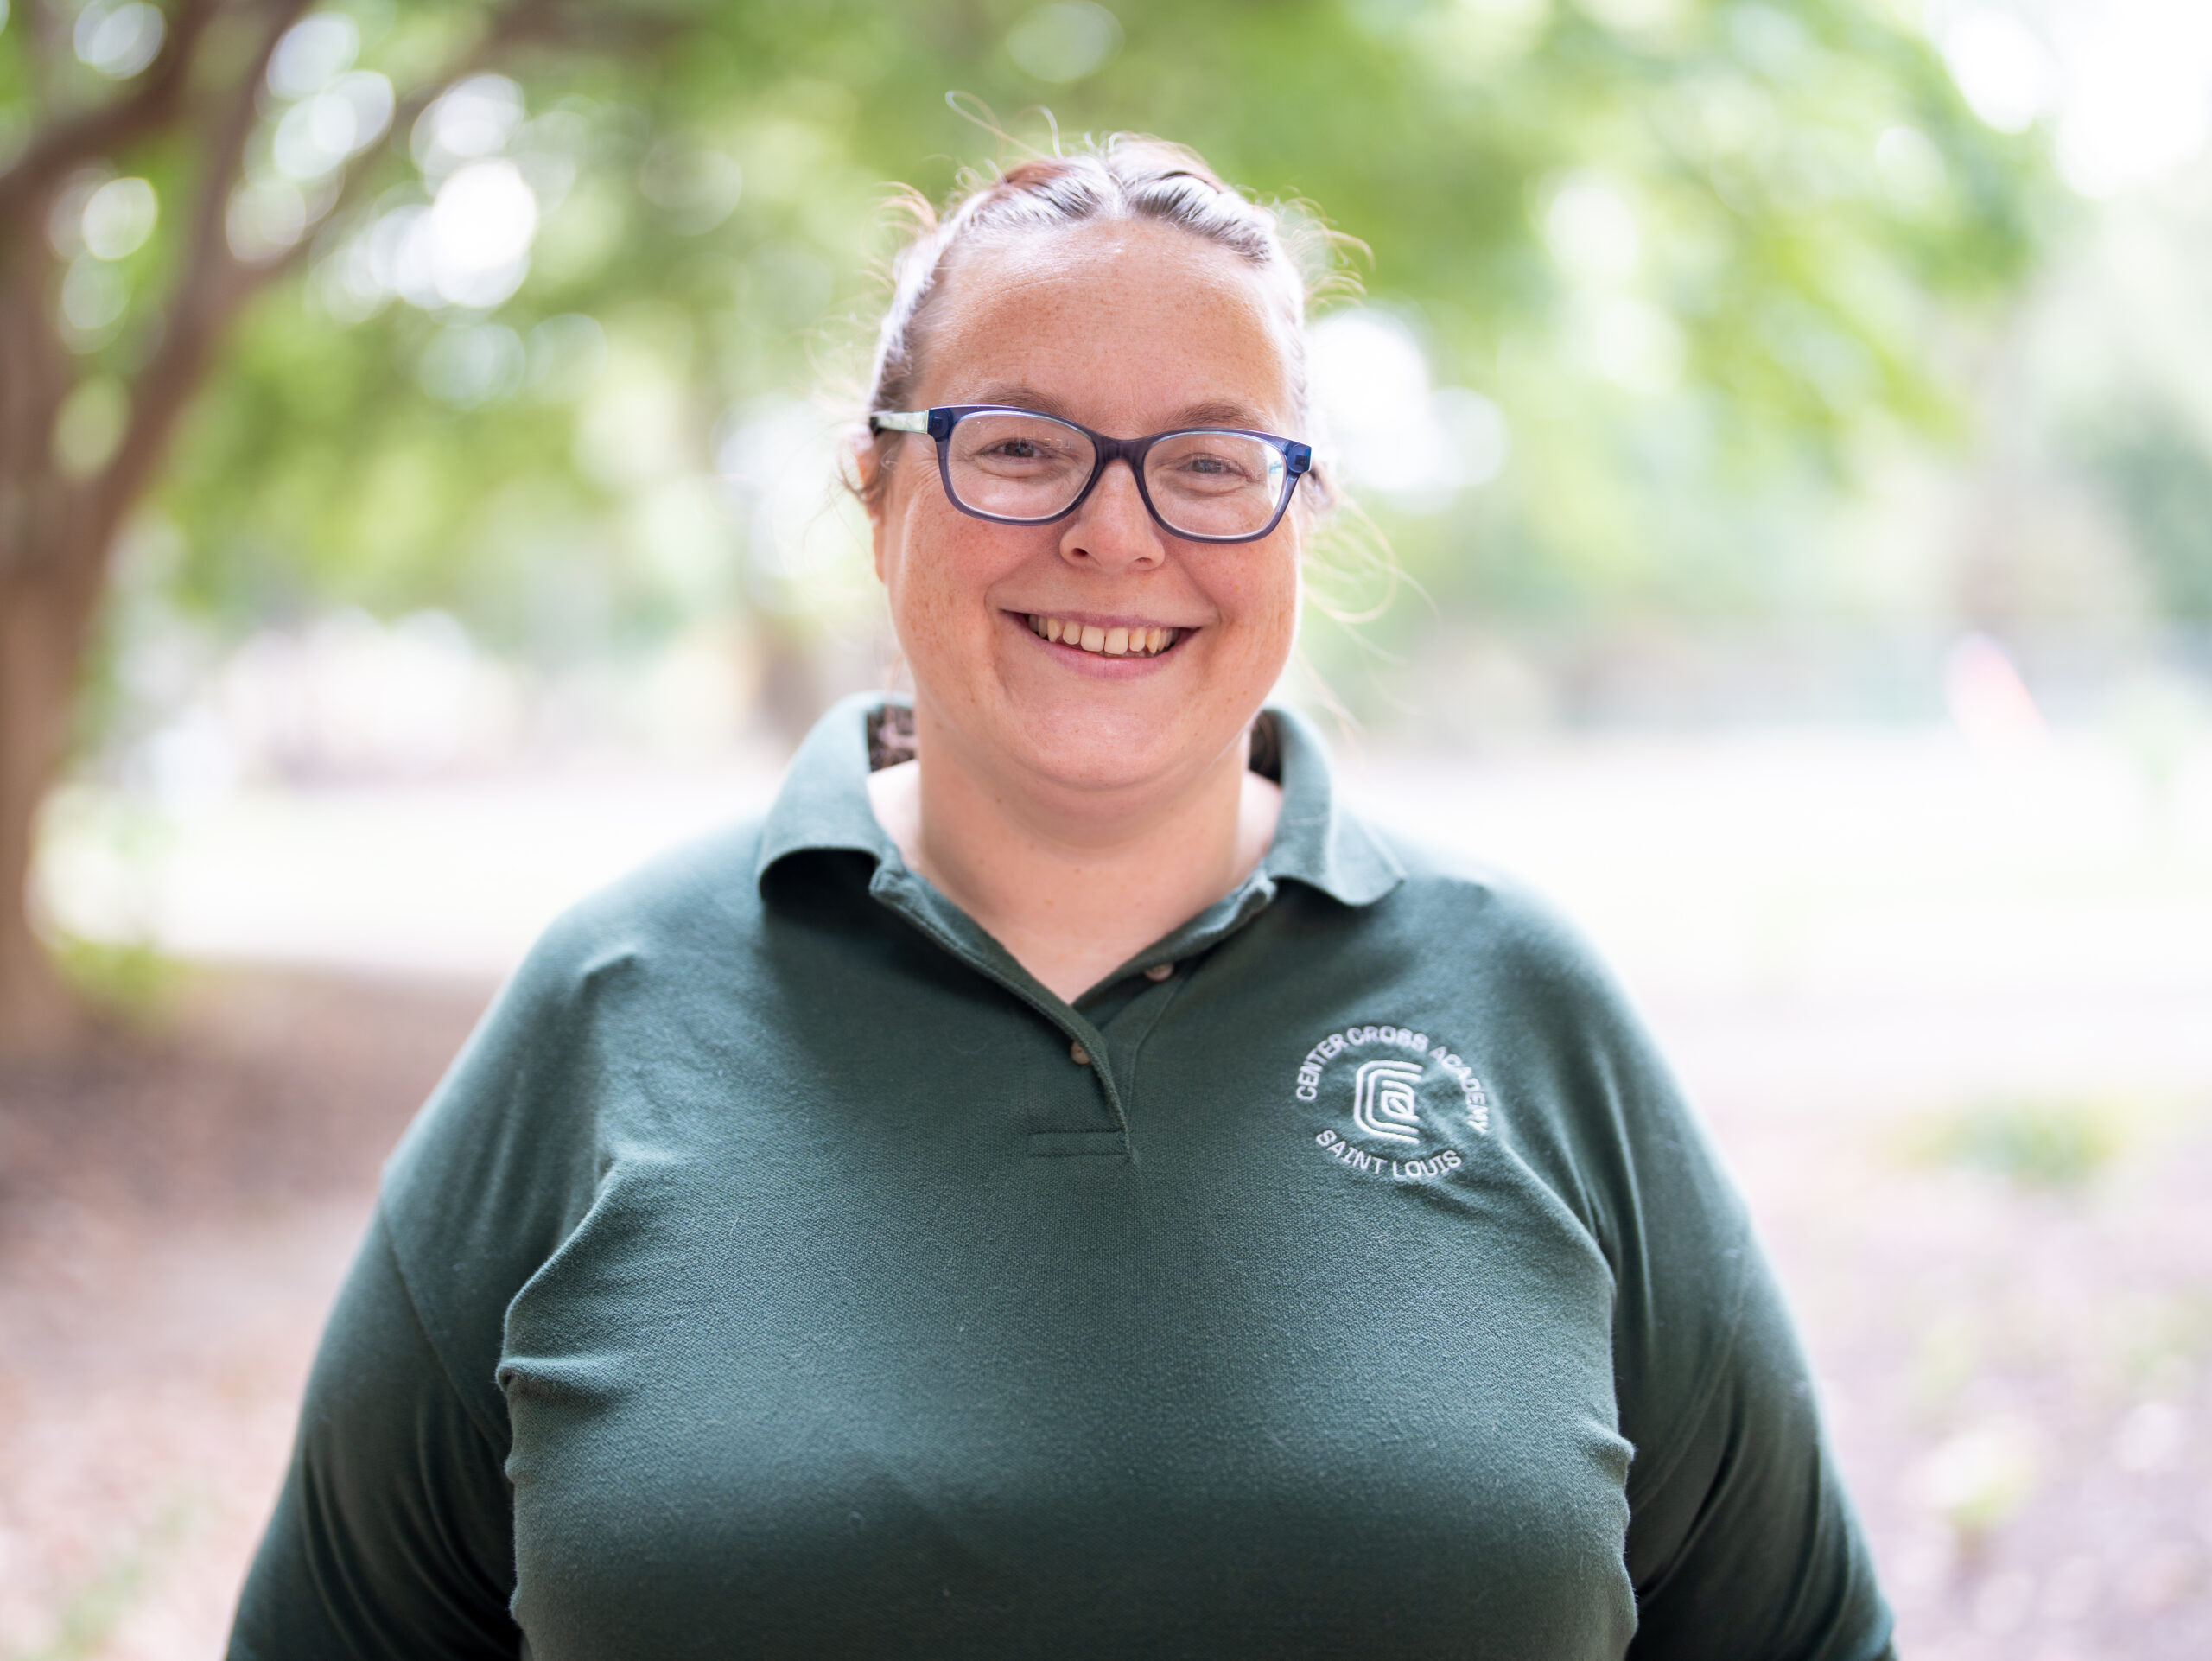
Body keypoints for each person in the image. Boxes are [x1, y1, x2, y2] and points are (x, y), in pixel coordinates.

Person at [228, 137, 1895, 1660]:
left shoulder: (1520, 1003)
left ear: (1298, 512)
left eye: (1211, 461)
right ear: (876, 485)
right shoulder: (609, 1005)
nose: (1115, 531)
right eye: (1017, 446)